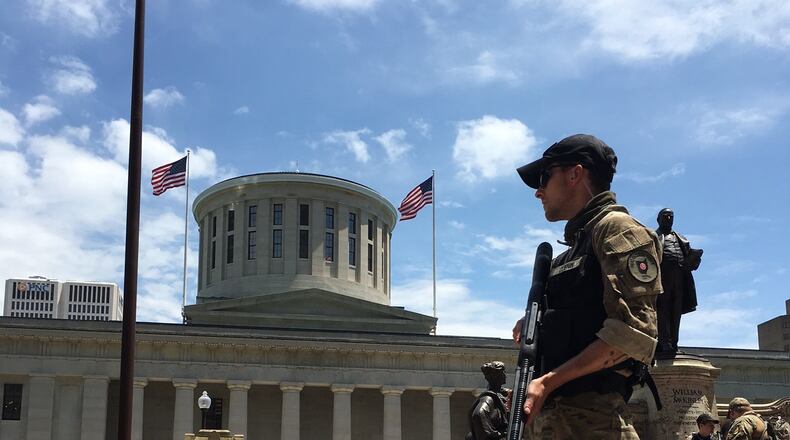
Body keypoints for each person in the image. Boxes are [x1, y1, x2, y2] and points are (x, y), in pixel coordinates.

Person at [512, 134, 662, 439]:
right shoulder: (576, 247)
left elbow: (633, 335)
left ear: (574, 174)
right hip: (558, 419)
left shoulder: (618, 230)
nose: (538, 192)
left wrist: (547, 382)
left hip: (595, 422)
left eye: (545, 176)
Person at [655, 208, 703, 356]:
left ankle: (673, 344)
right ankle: (664, 344)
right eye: (665, 215)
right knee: (662, 311)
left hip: (680, 280)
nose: (668, 218)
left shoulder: (681, 238)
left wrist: (694, 259)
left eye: (671, 216)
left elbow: (691, 260)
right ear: (658, 219)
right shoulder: (653, 237)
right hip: (661, 280)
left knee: (676, 312)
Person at [466, 361, 511, 440]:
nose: (505, 376)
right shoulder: (488, 398)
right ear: (496, 376)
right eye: (503, 373)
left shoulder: (499, 394)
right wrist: (494, 434)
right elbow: (478, 414)